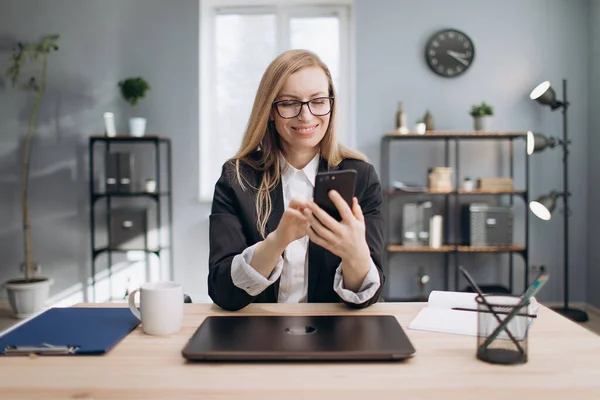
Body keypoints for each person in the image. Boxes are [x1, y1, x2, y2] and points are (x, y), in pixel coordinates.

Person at [208, 49, 384, 311]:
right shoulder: (236, 178)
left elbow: (368, 298)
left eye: (318, 100)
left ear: (331, 104)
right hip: (256, 331)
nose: (306, 115)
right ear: (270, 110)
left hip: (333, 334)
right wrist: (279, 240)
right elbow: (223, 291)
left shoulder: (362, 177)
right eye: (289, 103)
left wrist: (355, 253)